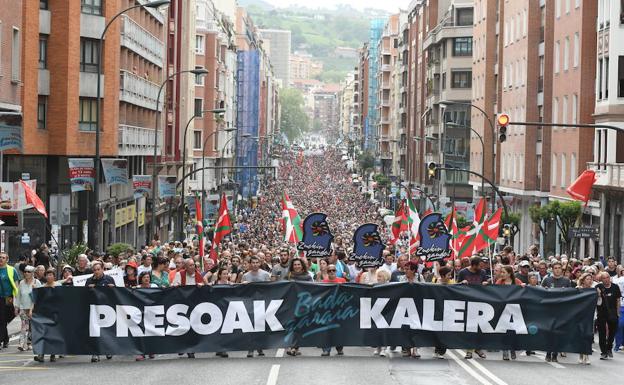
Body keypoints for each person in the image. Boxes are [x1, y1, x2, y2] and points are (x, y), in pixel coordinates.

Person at [541, 261, 571, 363]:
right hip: (549, 310)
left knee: (558, 333)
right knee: (549, 332)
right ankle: (548, 352)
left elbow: (570, 295)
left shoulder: (567, 281)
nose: (557, 270)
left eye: (559, 268)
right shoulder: (547, 280)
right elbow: (541, 294)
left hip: (561, 311)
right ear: (552, 269)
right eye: (555, 268)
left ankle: (555, 354)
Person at [458, 256, 487, 359]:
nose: (481, 267)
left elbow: (486, 287)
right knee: (470, 327)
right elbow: (456, 287)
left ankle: (478, 348)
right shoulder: (463, 272)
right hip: (467, 303)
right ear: (473, 265)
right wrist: (462, 283)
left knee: (479, 327)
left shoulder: (483, 273)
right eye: (480, 265)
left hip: (479, 303)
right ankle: (469, 350)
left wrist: (486, 283)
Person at [85, 262, 115, 363]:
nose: (96, 272)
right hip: (94, 308)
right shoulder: (89, 280)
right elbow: (84, 294)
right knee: (95, 331)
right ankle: (95, 353)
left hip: (107, 308)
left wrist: (113, 288)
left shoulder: (109, 279)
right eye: (94, 270)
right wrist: (89, 289)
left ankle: (107, 350)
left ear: (102, 269)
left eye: (98, 269)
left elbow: (117, 294)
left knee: (107, 331)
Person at [495, 265, 524, 360]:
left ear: (509, 273)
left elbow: (522, 292)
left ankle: (512, 348)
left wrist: (523, 287)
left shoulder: (517, 282)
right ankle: (505, 350)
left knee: (513, 331)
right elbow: (494, 292)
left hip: (515, 310)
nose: (501, 274)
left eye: (503, 272)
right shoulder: (499, 282)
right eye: (501, 272)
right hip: (503, 310)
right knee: (504, 330)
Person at [286, 258, 312, 356]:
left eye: (298, 264)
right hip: (290, 304)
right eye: (295, 265)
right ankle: (292, 347)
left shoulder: (307, 277)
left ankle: (295, 347)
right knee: (291, 326)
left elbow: (312, 289)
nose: (297, 266)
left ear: (302, 266)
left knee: (299, 326)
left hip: (302, 305)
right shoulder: (288, 276)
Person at [320, 264, 345, 356]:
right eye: (329, 271)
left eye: (333, 270)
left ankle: (339, 347)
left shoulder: (342, 281)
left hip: (340, 309)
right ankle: (326, 349)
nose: (331, 272)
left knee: (339, 329)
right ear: (327, 272)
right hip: (327, 309)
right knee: (326, 329)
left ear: (336, 271)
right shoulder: (324, 282)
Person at [596, 271, 621, 359]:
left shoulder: (615, 287)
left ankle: (609, 347)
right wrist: (598, 294)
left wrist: (618, 312)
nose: (606, 280)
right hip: (602, 313)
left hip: (613, 312)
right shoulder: (598, 287)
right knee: (602, 333)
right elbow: (596, 301)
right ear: (601, 280)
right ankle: (603, 352)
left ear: (610, 278)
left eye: (607, 277)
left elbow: (618, 300)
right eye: (604, 278)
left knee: (612, 331)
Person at [15, 265, 40, 352]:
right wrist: (16, 307)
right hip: (23, 307)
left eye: (28, 272)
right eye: (25, 271)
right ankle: (21, 344)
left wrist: (35, 289)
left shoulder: (37, 282)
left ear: (32, 273)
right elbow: (18, 296)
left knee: (31, 327)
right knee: (24, 326)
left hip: (33, 308)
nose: (26, 273)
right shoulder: (21, 283)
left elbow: (39, 296)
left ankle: (30, 343)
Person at [433, 266, 454, 359]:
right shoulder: (435, 282)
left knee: (445, 331)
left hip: (448, 311)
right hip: (437, 310)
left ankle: (441, 350)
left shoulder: (452, 283)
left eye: (450, 274)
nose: (450, 276)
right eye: (448, 275)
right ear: (442, 275)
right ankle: (436, 349)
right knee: (437, 331)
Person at [577, 272, 598, 365]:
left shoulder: (594, 290)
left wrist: (599, 295)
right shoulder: (578, 289)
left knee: (588, 335)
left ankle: (587, 355)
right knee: (580, 335)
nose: (590, 281)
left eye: (591, 279)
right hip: (579, 315)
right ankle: (581, 355)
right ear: (583, 280)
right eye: (587, 279)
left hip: (590, 316)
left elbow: (599, 303)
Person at [0, 252, 18, 350]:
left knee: (6, 317)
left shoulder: (12, 270)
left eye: (3, 258)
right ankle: (3, 339)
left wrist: (16, 298)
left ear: (7, 259)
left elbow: (16, 284)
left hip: (8, 297)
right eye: (0, 257)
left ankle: (5, 339)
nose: (1, 259)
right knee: (2, 319)